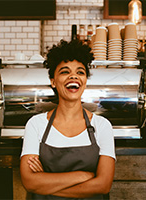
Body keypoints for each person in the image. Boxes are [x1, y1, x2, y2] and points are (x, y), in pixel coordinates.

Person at [20, 40, 116, 199]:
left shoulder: (102, 126)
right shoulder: (36, 124)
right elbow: (29, 182)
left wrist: (44, 185)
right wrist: (82, 176)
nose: (74, 76)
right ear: (53, 81)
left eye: (80, 72)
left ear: (85, 82)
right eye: (65, 72)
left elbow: (103, 185)